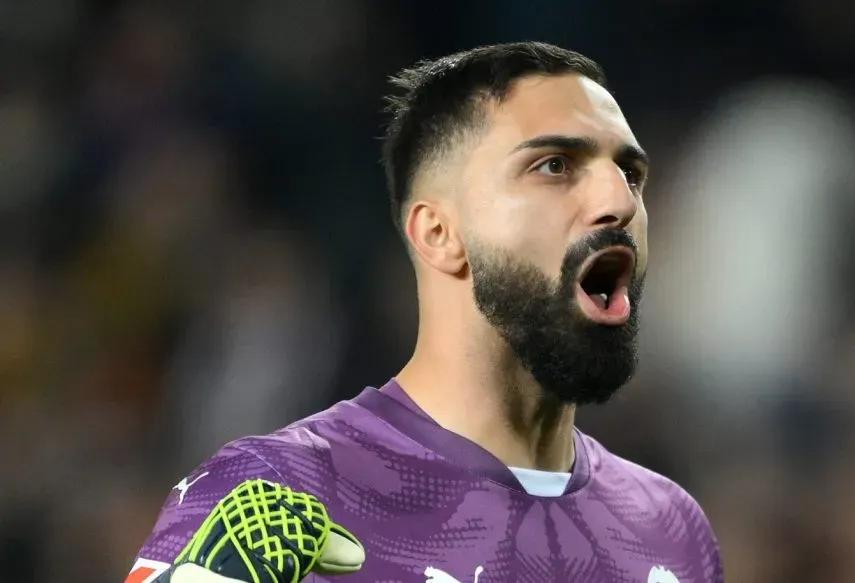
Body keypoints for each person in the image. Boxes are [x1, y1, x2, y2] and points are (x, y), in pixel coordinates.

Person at [126, 41, 724, 583]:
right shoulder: (275, 494)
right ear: (440, 233)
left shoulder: (671, 529)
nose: (619, 200)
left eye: (632, 173)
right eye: (554, 166)